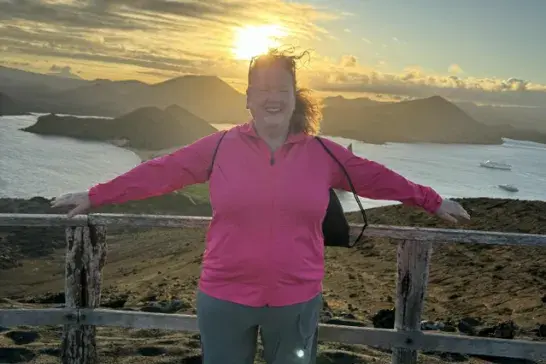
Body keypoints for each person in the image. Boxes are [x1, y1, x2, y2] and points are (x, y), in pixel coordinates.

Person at [51, 48, 470, 364]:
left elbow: (378, 177)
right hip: (224, 298)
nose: (273, 98)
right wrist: (94, 195)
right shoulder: (217, 147)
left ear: (294, 97)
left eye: (281, 90)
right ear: (248, 98)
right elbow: (159, 172)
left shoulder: (325, 154)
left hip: (295, 301)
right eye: (263, 90)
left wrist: (432, 202)